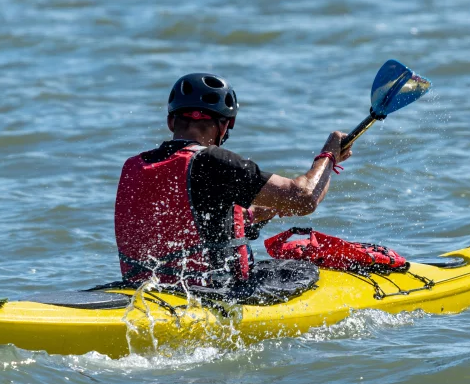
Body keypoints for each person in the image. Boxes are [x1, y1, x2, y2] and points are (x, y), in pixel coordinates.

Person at [114, 72, 351, 288]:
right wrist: (329, 155)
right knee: (301, 270)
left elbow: (182, 224)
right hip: (209, 293)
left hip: (143, 290)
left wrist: (256, 213)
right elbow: (304, 197)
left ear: (171, 122)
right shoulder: (214, 160)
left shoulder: (135, 165)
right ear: (225, 125)